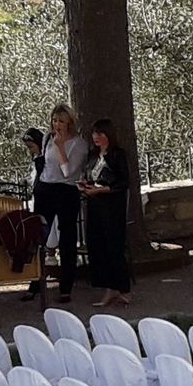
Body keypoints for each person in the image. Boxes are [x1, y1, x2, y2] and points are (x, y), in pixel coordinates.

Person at [77, 118, 134, 307]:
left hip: (112, 208)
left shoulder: (118, 155)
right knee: (98, 246)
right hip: (95, 206)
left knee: (114, 247)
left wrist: (103, 190)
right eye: (94, 133)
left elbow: (123, 182)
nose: (96, 137)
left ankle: (123, 288)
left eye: (100, 133)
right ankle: (108, 287)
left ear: (108, 135)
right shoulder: (93, 155)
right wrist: (85, 186)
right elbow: (89, 176)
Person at [36, 103, 89, 298]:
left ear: (69, 123)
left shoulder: (79, 144)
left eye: (61, 121)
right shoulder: (47, 138)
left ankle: (66, 285)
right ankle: (36, 281)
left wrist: (60, 146)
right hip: (45, 189)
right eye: (54, 120)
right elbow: (45, 164)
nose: (57, 125)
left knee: (67, 238)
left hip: (66, 191)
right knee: (39, 235)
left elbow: (68, 172)